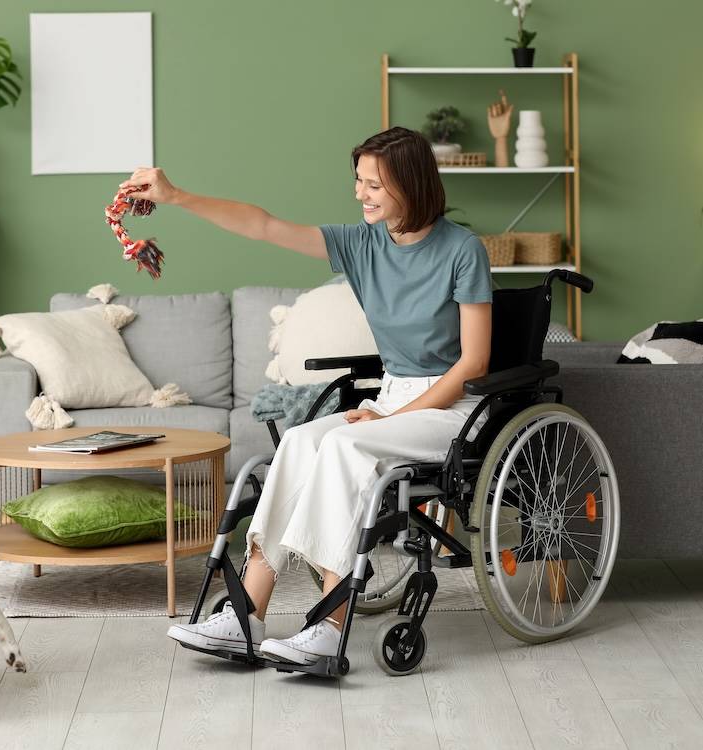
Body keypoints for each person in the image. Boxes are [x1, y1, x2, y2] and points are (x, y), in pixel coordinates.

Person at [125, 126, 492, 666]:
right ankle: (246, 614)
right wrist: (177, 196)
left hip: (452, 409)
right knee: (299, 442)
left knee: (344, 447)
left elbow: (474, 363)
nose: (361, 194)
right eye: (359, 182)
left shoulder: (463, 250)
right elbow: (263, 225)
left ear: (411, 185)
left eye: (374, 184)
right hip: (392, 402)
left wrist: (391, 417)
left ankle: (327, 626)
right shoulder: (363, 242)